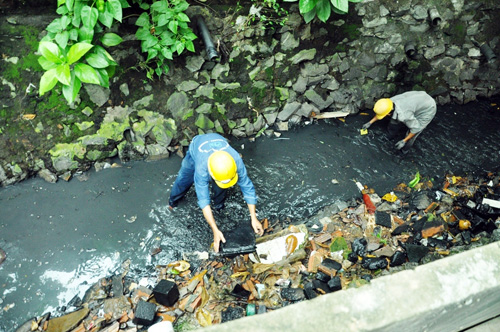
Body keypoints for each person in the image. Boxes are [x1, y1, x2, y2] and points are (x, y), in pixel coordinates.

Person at [168, 133, 263, 252]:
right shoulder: (201, 169)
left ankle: (219, 206)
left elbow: (247, 186)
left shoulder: (235, 161)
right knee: (183, 180)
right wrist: (215, 230)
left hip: (219, 142)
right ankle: (173, 202)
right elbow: (203, 201)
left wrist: (253, 217)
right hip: (196, 149)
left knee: (221, 187)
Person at [362, 91, 437, 153]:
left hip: (428, 108)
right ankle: (391, 135)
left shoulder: (404, 115)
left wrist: (404, 141)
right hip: (417, 99)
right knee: (394, 120)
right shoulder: (389, 103)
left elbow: (416, 128)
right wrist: (370, 122)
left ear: (388, 113)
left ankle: (404, 151)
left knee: (413, 133)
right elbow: (382, 113)